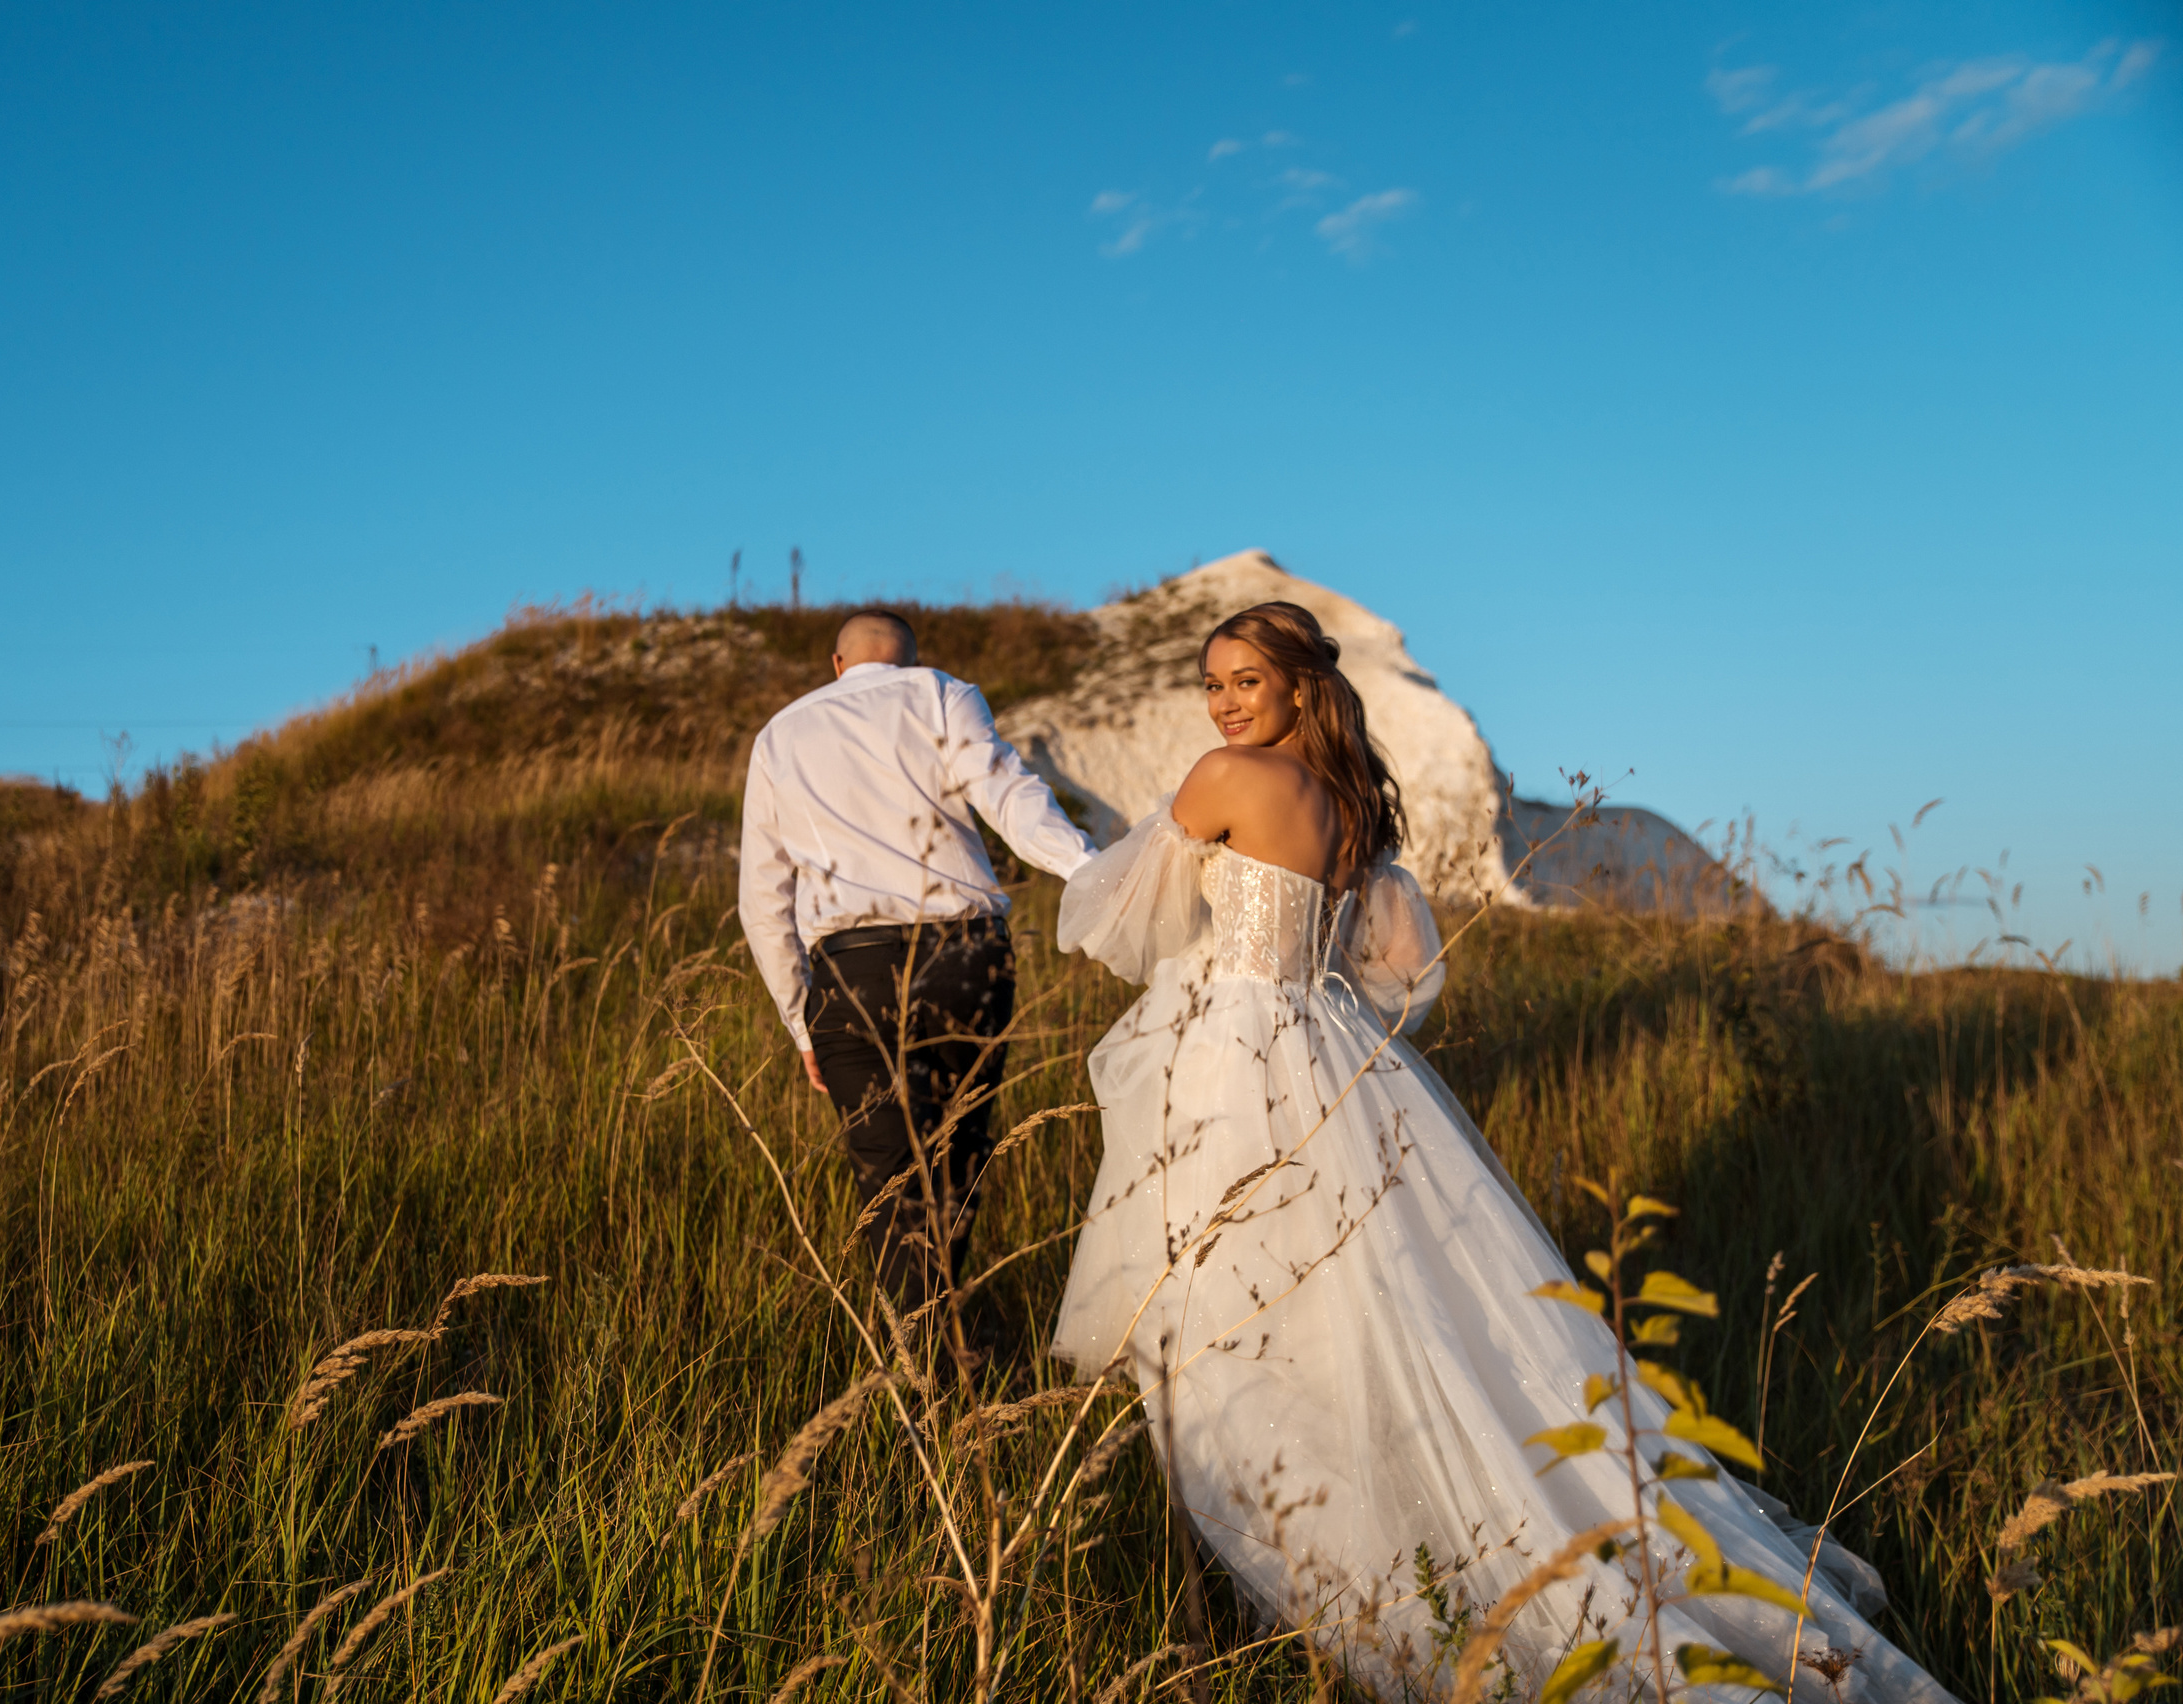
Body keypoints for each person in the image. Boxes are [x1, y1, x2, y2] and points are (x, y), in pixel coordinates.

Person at [1052, 601, 1954, 1702]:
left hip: (1233, 1057)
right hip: (1332, 1058)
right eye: (1214, 683)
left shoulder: (1219, 780)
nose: (1225, 701)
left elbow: (1108, 923)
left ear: (1298, 686)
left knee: (1232, 1314)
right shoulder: (1349, 805)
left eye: (1245, 680)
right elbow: (1401, 973)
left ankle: (1267, 1582)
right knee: (1374, 1311)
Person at [739, 608, 1096, 1319]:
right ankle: (939, 1346)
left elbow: (762, 898)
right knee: (957, 1159)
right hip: (964, 960)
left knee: (888, 1180)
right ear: (907, 657)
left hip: (851, 973)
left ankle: (916, 1371)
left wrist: (802, 1023)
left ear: (836, 663)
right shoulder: (939, 692)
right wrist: (1088, 868)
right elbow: (1009, 796)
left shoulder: (780, 734)